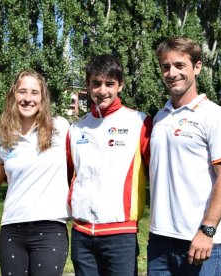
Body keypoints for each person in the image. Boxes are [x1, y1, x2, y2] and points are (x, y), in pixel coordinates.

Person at [148, 37, 221, 275]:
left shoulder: (216, 116)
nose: (172, 73)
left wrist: (207, 231)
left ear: (197, 67)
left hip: (199, 241)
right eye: (166, 67)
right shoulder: (159, 118)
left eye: (180, 65)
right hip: (159, 240)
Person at [66, 54, 152, 276]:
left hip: (120, 232)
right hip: (82, 233)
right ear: (88, 86)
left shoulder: (139, 122)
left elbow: (159, 173)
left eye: (109, 84)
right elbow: (68, 175)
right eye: (96, 83)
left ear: (120, 85)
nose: (102, 90)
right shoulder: (76, 129)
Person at [0, 70, 70, 276]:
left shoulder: (61, 128)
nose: (27, 99)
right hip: (12, 229)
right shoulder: (0, 138)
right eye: (22, 91)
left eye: (34, 92)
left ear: (43, 98)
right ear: (13, 95)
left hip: (51, 227)